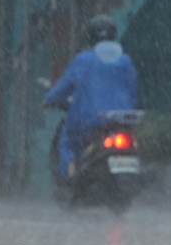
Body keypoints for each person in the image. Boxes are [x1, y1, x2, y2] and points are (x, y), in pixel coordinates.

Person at [43, 15, 138, 177]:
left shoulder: (83, 60)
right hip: (121, 120)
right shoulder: (126, 61)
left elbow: (62, 88)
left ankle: (69, 176)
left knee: (66, 142)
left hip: (89, 121)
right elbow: (133, 91)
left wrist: (48, 101)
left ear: (90, 36)